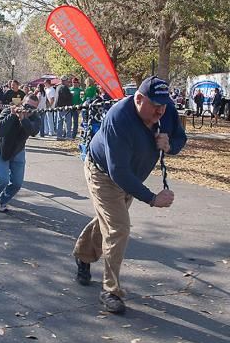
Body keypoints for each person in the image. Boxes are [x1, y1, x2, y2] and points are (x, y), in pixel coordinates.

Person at [73, 76, 187, 314]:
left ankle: (83, 255)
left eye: (164, 104)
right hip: (104, 173)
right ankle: (110, 290)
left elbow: (180, 139)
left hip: (133, 176)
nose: (160, 110)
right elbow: (118, 171)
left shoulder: (166, 110)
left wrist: (169, 146)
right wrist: (152, 198)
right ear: (138, 99)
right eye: (155, 104)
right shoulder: (119, 118)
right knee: (119, 227)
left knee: (110, 221)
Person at [0, 94, 41, 212]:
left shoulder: (35, 117)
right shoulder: (8, 111)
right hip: (1, 148)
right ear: (21, 103)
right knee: (2, 179)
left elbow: (33, 131)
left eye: (32, 108)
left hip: (18, 150)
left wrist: (23, 119)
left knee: (17, 183)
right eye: (26, 106)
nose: (28, 109)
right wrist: (12, 115)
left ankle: (2, 200)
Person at [55, 75, 73, 140]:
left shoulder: (58, 87)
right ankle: (68, 136)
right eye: (67, 81)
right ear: (65, 81)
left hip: (59, 106)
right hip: (65, 107)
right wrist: (71, 95)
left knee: (59, 122)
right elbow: (66, 97)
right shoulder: (64, 87)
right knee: (68, 122)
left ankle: (59, 135)